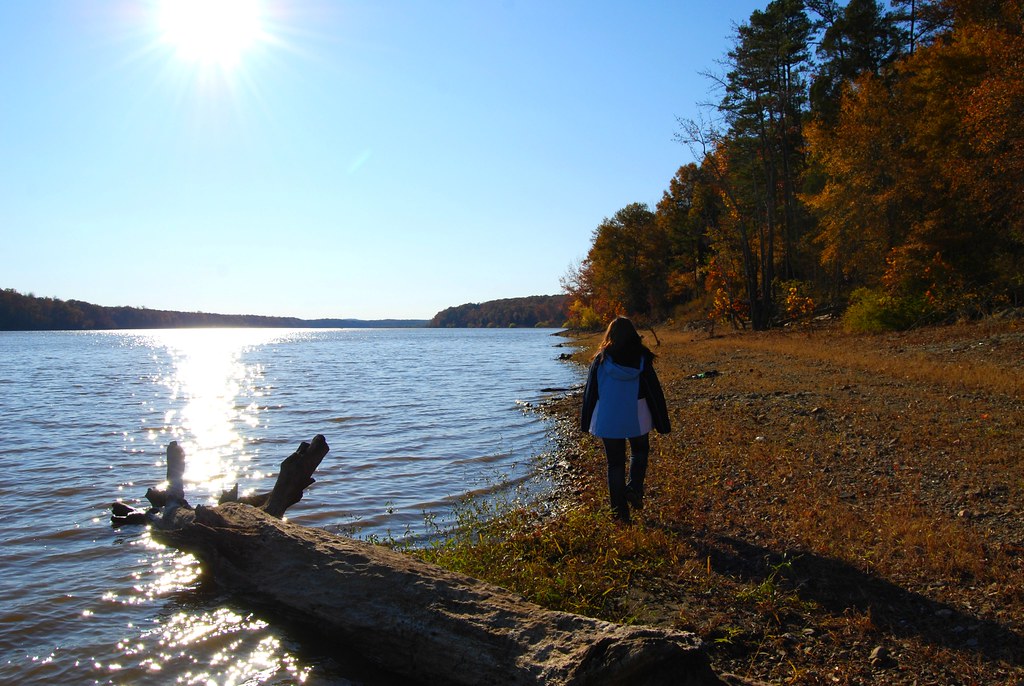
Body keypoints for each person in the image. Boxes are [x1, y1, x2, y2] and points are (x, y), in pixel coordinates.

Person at [580, 317, 670, 523]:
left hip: (608, 416)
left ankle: (619, 514)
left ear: (610, 335)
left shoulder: (600, 360)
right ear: (632, 334)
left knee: (615, 464)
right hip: (637, 414)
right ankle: (634, 488)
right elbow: (654, 390)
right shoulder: (642, 358)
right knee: (640, 451)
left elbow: (590, 392)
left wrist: (585, 422)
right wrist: (662, 422)